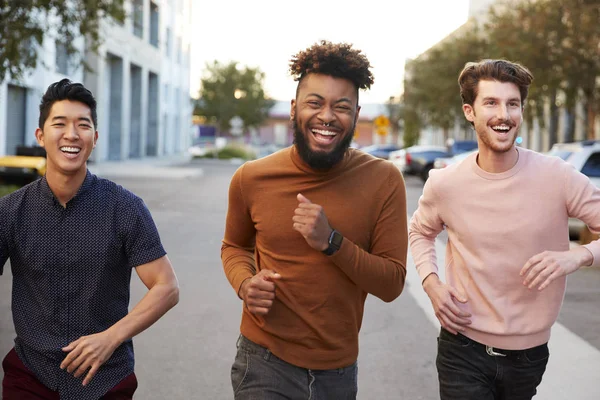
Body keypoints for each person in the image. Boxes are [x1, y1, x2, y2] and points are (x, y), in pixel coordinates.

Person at [221, 40, 408, 399]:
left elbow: (392, 283)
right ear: (294, 109)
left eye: (341, 106)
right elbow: (234, 245)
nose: (326, 116)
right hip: (263, 361)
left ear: (355, 114)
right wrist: (245, 284)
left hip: (336, 373)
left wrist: (331, 242)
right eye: (314, 103)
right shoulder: (251, 178)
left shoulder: (384, 180)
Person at [409, 59, 600, 400]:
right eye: (491, 103)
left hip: (528, 355)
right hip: (461, 347)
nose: (504, 115)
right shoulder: (445, 183)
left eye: (513, 104)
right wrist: (432, 283)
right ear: (470, 112)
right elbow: (420, 232)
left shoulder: (558, 177)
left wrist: (579, 255)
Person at [0, 79, 180, 400]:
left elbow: (167, 287)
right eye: (60, 124)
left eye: (83, 125)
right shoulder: (11, 211)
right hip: (29, 376)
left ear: (94, 139)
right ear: (41, 136)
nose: (71, 134)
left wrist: (110, 338)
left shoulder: (125, 207)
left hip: (105, 380)